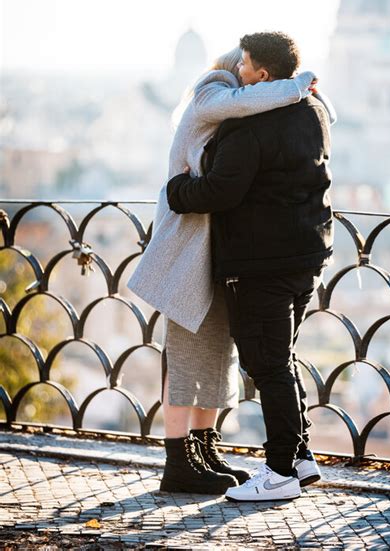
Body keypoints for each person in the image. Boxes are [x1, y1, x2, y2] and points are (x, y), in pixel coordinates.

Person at [127, 46, 322, 494]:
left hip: (218, 247)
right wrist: (294, 86)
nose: (247, 76)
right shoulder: (213, 91)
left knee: (217, 353)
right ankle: (178, 460)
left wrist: (301, 91)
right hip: (188, 244)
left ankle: (204, 449)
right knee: (185, 351)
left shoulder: (248, 106)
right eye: (245, 68)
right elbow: (248, 101)